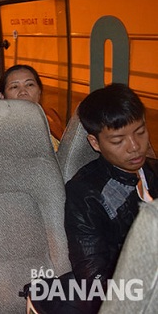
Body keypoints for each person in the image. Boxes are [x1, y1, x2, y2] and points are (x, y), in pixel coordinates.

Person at [64, 83, 158, 313]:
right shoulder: (86, 194)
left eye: (140, 132)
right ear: (95, 143)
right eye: (118, 141)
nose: (135, 147)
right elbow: (93, 282)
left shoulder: (154, 170)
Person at [0, 64, 64, 151]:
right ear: (2, 96)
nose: (23, 92)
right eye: (14, 87)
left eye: (30, 85)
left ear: (39, 91)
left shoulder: (51, 115)